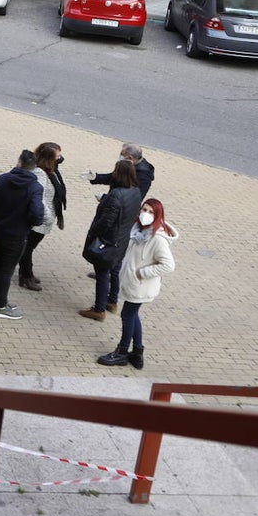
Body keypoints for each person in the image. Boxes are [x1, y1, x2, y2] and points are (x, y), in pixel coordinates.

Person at [96, 199, 177, 369]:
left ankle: (122, 352)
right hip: (133, 283)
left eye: (151, 212)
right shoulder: (138, 230)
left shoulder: (157, 238)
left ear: (157, 216)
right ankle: (137, 353)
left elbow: (168, 265)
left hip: (141, 285)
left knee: (127, 314)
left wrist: (142, 272)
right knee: (133, 315)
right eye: (144, 209)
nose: (145, 214)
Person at [0, 150, 44, 321]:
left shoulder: (2, 179)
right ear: (34, 167)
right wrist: (29, 223)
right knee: (7, 268)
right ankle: (1, 305)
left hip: (0, 228)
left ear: (19, 162)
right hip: (18, 234)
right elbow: (37, 214)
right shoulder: (34, 187)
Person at [80, 159, 143, 322]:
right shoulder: (135, 191)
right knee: (114, 270)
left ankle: (99, 309)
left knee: (102, 274)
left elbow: (106, 222)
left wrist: (93, 234)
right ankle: (112, 301)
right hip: (122, 240)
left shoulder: (116, 194)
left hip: (109, 241)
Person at [17, 143, 66, 292]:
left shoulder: (51, 170)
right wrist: (47, 216)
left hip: (44, 218)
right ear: (49, 158)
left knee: (29, 247)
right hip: (40, 219)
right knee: (27, 248)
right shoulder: (40, 173)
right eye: (58, 155)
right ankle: (25, 277)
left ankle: (27, 273)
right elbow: (38, 198)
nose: (61, 158)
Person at [86, 142, 155, 198]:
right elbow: (114, 177)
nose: (120, 157)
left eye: (122, 154)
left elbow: (131, 199)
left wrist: (105, 199)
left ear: (130, 158)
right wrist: (96, 177)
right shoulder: (127, 165)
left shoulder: (143, 177)